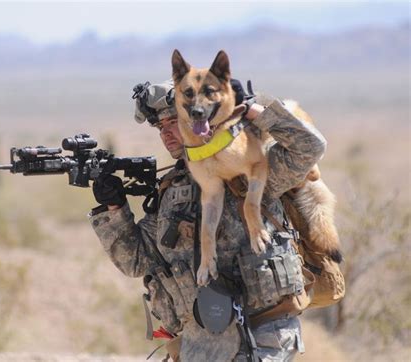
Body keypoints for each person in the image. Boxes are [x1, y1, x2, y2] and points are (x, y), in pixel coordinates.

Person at [89, 80, 327, 361]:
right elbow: (136, 261)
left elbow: (309, 146)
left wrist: (250, 109)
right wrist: (114, 208)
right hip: (201, 344)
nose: (166, 133)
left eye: (174, 121)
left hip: (259, 335)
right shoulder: (172, 190)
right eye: (160, 127)